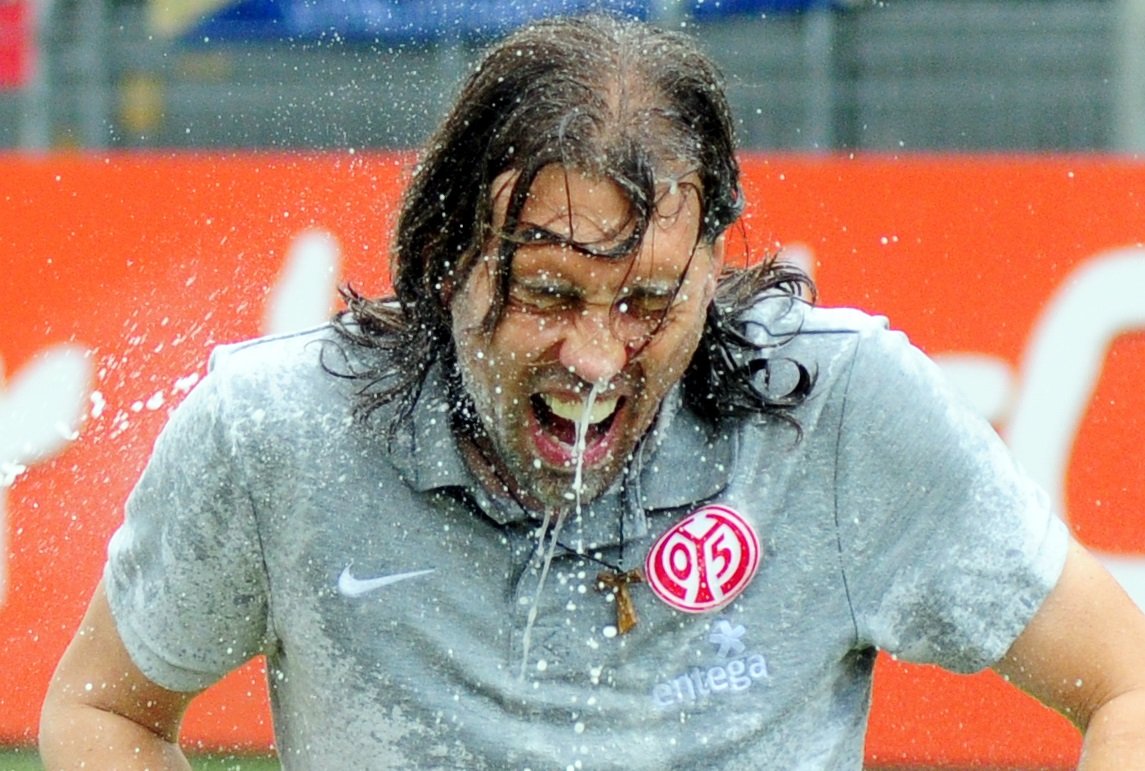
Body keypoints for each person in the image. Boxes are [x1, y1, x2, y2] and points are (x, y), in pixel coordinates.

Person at [38, 13, 1145, 770]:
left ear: (714, 261)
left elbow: (1125, 686)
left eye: (649, 298)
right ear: (444, 257)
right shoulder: (278, 433)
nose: (597, 356)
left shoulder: (835, 411)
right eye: (551, 293)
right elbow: (98, 714)